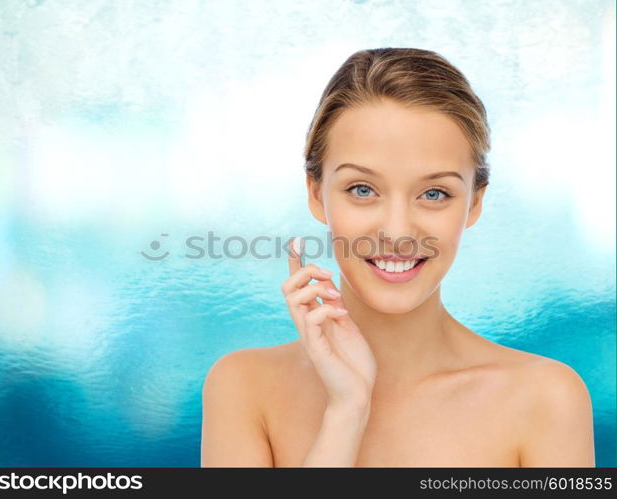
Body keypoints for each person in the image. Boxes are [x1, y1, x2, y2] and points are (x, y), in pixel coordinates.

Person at [200, 47, 595, 467]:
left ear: (475, 203)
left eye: (434, 193)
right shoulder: (244, 388)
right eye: (363, 190)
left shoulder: (545, 398)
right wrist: (346, 414)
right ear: (316, 193)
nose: (398, 233)